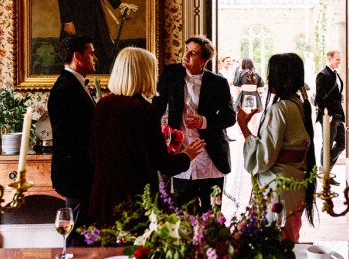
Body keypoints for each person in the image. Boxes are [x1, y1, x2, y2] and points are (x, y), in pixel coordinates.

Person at [88, 47, 205, 226]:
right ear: (144, 73)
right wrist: (187, 155)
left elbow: (94, 153)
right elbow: (160, 165)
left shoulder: (103, 105)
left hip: (103, 196)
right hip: (134, 199)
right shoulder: (144, 110)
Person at [237, 53, 317, 243]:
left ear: (286, 81)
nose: (268, 78)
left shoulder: (279, 109)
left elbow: (263, 158)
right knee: (289, 242)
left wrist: (243, 127)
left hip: (277, 190)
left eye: (272, 73)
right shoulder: (299, 105)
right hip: (294, 187)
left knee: (274, 246)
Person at [153, 35, 236, 214]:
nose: (186, 55)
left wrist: (204, 121)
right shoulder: (171, 74)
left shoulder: (218, 82)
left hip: (211, 156)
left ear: (204, 60)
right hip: (181, 154)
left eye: (193, 53)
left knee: (212, 213)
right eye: (186, 50)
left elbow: (230, 117)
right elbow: (157, 108)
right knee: (183, 213)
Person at [47, 35, 97, 246]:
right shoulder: (65, 89)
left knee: (83, 231)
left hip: (81, 173)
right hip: (76, 173)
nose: (95, 57)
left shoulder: (74, 85)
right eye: (91, 53)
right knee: (77, 234)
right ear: (78, 56)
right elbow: (73, 137)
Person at [315, 50, 345, 186]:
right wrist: (327, 115)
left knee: (341, 144)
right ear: (329, 58)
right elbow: (319, 99)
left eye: (340, 59)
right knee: (327, 144)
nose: (339, 61)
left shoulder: (335, 74)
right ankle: (325, 173)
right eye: (337, 59)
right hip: (329, 117)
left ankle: (325, 169)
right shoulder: (322, 75)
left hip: (338, 114)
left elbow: (333, 93)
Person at [233, 57, 265, 122]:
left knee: (242, 116)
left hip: (243, 95)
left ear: (243, 64)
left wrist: (238, 99)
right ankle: (254, 132)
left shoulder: (241, 73)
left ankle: (243, 131)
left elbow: (237, 89)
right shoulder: (257, 73)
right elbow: (260, 90)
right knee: (254, 119)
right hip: (254, 95)